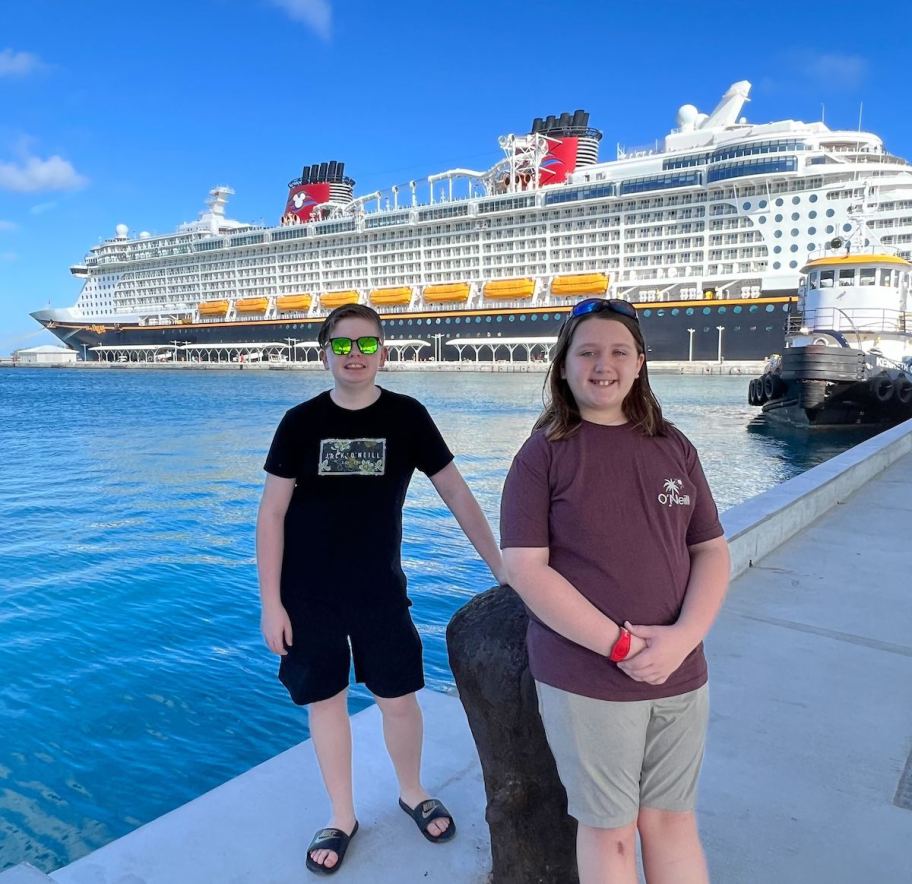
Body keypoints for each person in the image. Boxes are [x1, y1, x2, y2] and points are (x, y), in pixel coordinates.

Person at [257, 304, 505, 875]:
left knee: (399, 698)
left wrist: (499, 565)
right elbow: (271, 516)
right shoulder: (299, 422)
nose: (355, 355)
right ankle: (341, 815)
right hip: (307, 594)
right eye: (342, 346)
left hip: (380, 588)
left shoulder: (407, 416)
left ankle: (412, 791)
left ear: (384, 353)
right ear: (324, 353)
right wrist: (270, 603)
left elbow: (458, 494)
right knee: (326, 704)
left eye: (366, 345)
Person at [500, 298, 730, 884]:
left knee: (674, 821)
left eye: (619, 351)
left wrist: (684, 638)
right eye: (589, 352)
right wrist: (622, 649)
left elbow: (710, 549)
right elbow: (526, 569)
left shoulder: (674, 445)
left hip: (682, 673)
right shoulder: (542, 455)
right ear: (564, 366)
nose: (604, 365)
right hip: (591, 679)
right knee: (611, 832)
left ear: (639, 364)